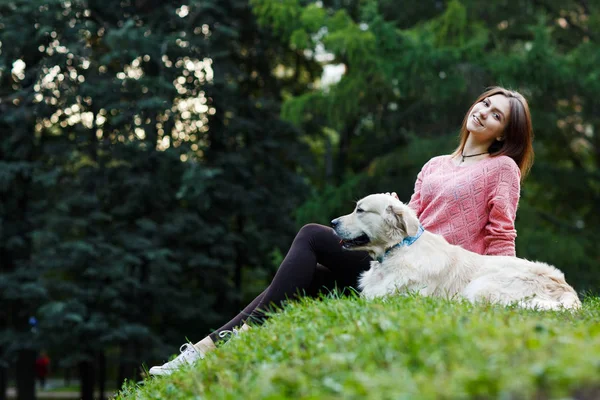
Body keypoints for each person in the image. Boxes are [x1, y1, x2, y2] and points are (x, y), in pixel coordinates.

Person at [149, 86, 534, 376]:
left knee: (313, 236)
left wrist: (502, 286)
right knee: (311, 277)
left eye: (496, 115)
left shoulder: (501, 169)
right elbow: (412, 220)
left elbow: (502, 235)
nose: (484, 113)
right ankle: (203, 352)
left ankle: (220, 344)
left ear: (503, 134)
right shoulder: (436, 164)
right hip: (396, 265)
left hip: (437, 278)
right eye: (484, 103)